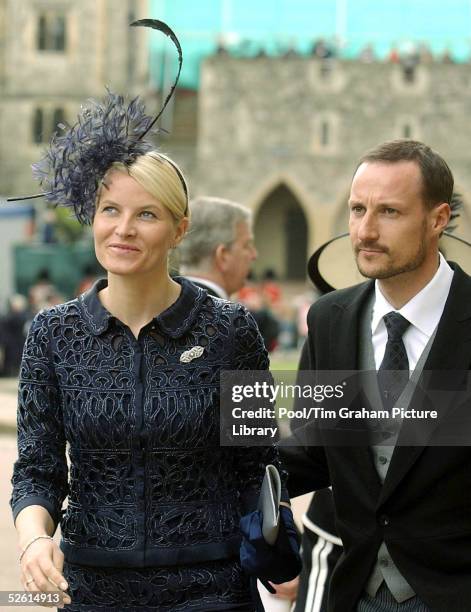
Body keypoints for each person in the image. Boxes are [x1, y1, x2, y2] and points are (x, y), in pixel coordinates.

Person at [9, 24, 293, 609]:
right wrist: (35, 538)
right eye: (110, 210)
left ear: (179, 230)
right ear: (92, 218)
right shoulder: (52, 335)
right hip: (90, 587)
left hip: (210, 587)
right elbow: (36, 467)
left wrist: (275, 544)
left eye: (147, 214)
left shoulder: (230, 330)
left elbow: (256, 465)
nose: (124, 229)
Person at [280, 139, 471, 611]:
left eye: (388, 212)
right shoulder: (329, 319)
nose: (365, 231)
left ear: (438, 219)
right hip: (353, 591)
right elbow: (312, 450)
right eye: (357, 209)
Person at [178, 195, 257, 299]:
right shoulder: (222, 313)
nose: (254, 255)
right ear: (223, 256)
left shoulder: (163, 305)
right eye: (246, 245)